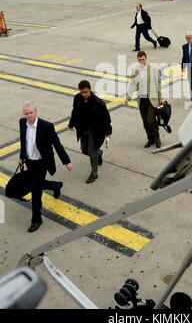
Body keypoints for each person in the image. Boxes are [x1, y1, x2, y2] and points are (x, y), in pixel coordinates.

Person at [5, 103, 72, 233]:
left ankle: (36, 219)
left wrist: (66, 161)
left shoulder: (46, 126)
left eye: (31, 113)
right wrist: (22, 156)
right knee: (37, 184)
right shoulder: (22, 123)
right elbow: (23, 141)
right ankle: (56, 185)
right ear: (24, 114)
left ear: (36, 112)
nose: (29, 116)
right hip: (30, 161)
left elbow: (57, 144)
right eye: (26, 113)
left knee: (36, 190)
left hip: (42, 162)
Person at [68, 80, 112, 184]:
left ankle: (94, 173)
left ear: (90, 89)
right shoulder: (77, 98)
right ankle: (99, 153)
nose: (84, 94)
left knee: (92, 153)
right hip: (83, 130)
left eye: (85, 92)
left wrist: (108, 131)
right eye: (82, 92)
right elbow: (75, 112)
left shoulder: (98, 103)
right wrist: (71, 124)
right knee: (84, 150)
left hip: (95, 131)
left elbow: (106, 118)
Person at [125, 51, 163, 148]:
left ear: (146, 58)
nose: (141, 61)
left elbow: (158, 85)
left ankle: (157, 138)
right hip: (142, 100)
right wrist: (128, 97)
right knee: (145, 122)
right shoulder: (135, 71)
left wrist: (161, 99)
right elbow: (132, 84)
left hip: (152, 99)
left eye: (143, 59)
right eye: (139, 60)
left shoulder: (153, 69)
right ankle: (150, 139)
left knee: (151, 120)